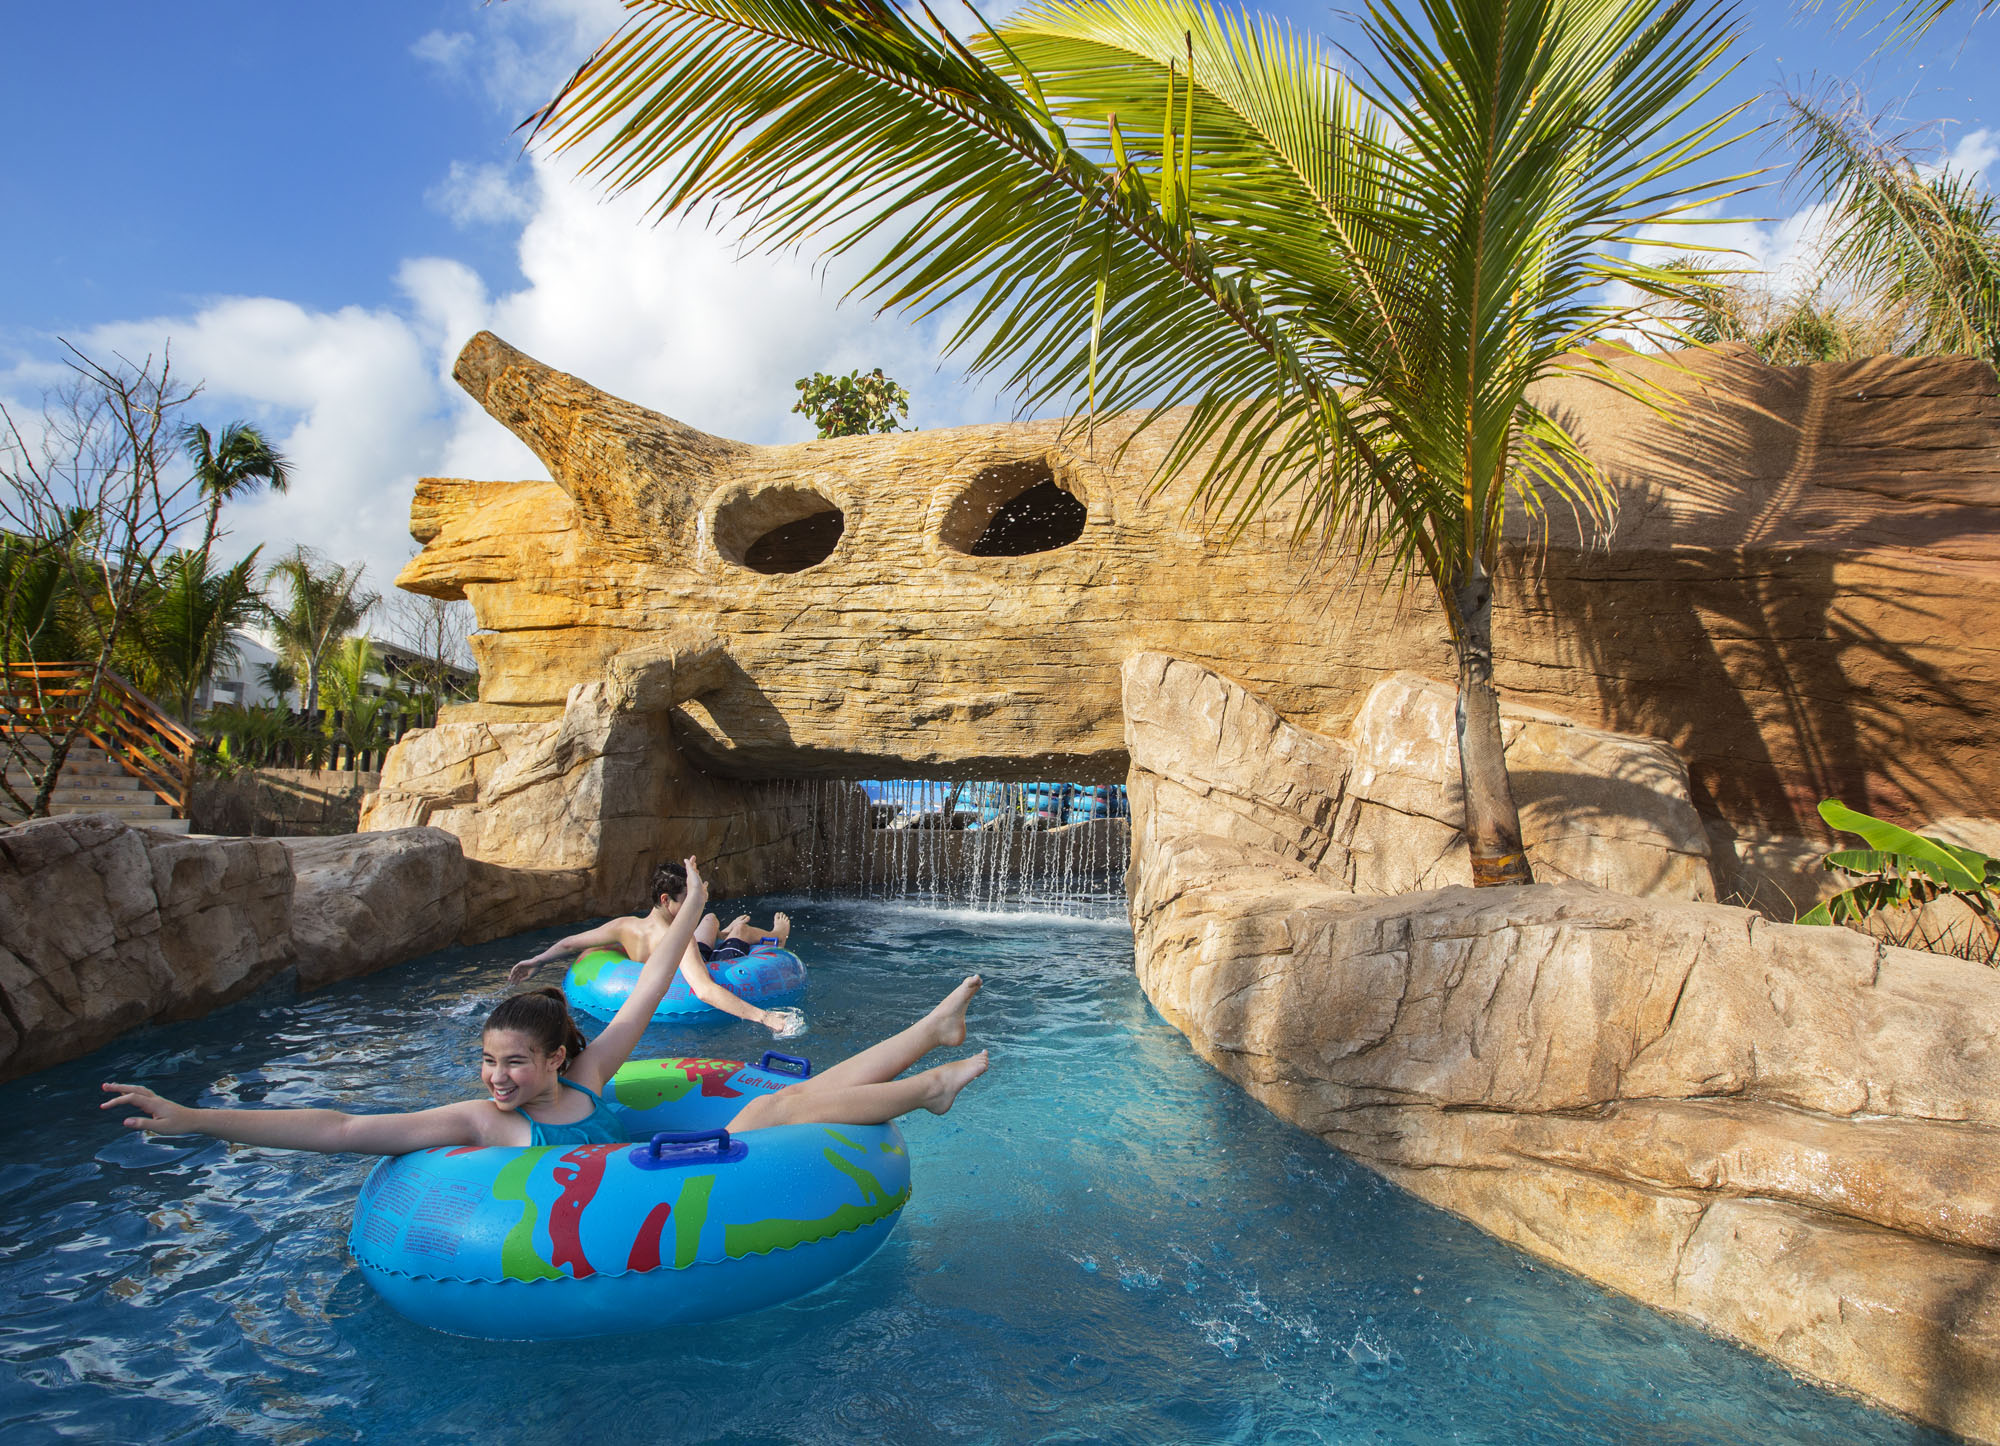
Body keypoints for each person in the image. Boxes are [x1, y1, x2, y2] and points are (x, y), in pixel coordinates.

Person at [101, 857, 989, 1153]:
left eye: (513, 1063)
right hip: (600, 1215)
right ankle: (925, 1078)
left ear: (558, 1057)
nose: (497, 1077)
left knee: (773, 1104)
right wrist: (194, 1117)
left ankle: (927, 1040)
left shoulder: (595, 1070)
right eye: (491, 1063)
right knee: (772, 1109)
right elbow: (338, 1128)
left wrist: (687, 911)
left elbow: (650, 985)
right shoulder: (482, 1124)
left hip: (666, 1171)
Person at [508, 861, 796, 1034]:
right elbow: (705, 990)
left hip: (693, 952)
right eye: (687, 899)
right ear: (666, 899)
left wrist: (537, 960)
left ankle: (724, 929)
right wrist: (764, 1017)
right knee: (742, 931)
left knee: (708, 919)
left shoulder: (626, 926)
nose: (692, 905)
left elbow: (571, 942)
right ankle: (774, 935)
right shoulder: (678, 943)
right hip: (702, 965)